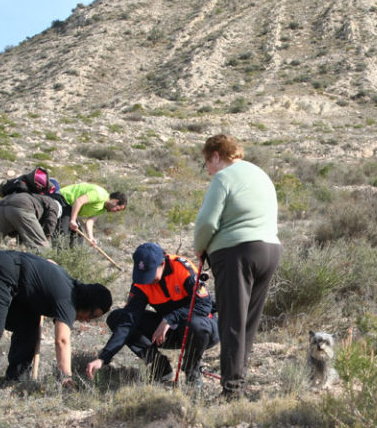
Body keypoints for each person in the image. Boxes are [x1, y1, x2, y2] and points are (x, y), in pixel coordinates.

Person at [193, 134, 281, 398]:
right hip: (270, 250)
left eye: (207, 162)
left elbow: (207, 223)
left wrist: (199, 248)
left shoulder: (224, 177)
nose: (208, 169)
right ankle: (238, 385)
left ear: (217, 156)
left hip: (237, 252)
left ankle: (231, 391)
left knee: (231, 322)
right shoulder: (260, 174)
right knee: (248, 324)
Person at [0, 251, 112, 392]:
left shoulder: (68, 285)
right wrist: (66, 376)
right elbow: (62, 341)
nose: (87, 320)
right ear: (88, 302)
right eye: (91, 315)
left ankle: (17, 378)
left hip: (15, 283)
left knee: (29, 328)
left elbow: (50, 262)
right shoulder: (68, 299)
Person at [85, 243, 219, 386]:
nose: (147, 280)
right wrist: (104, 357)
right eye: (143, 275)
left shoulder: (182, 269)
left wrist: (169, 319)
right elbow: (128, 321)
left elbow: (204, 305)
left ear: (162, 263)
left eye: (150, 274)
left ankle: (192, 373)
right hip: (169, 332)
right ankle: (159, 366)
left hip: (203, 329)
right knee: (117, 318)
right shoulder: (142, 282)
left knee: (196, 324)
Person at [58, 183, 127, 246]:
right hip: (63, 199)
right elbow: (79, 201)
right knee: (64, 231)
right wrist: (73, 220)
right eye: (117, 209)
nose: (115, 212)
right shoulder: (100, 195)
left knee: (79, 238)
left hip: (70, 208)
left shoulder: (103, 209)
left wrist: (91, 238)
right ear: (115, 202)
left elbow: (90, 222)